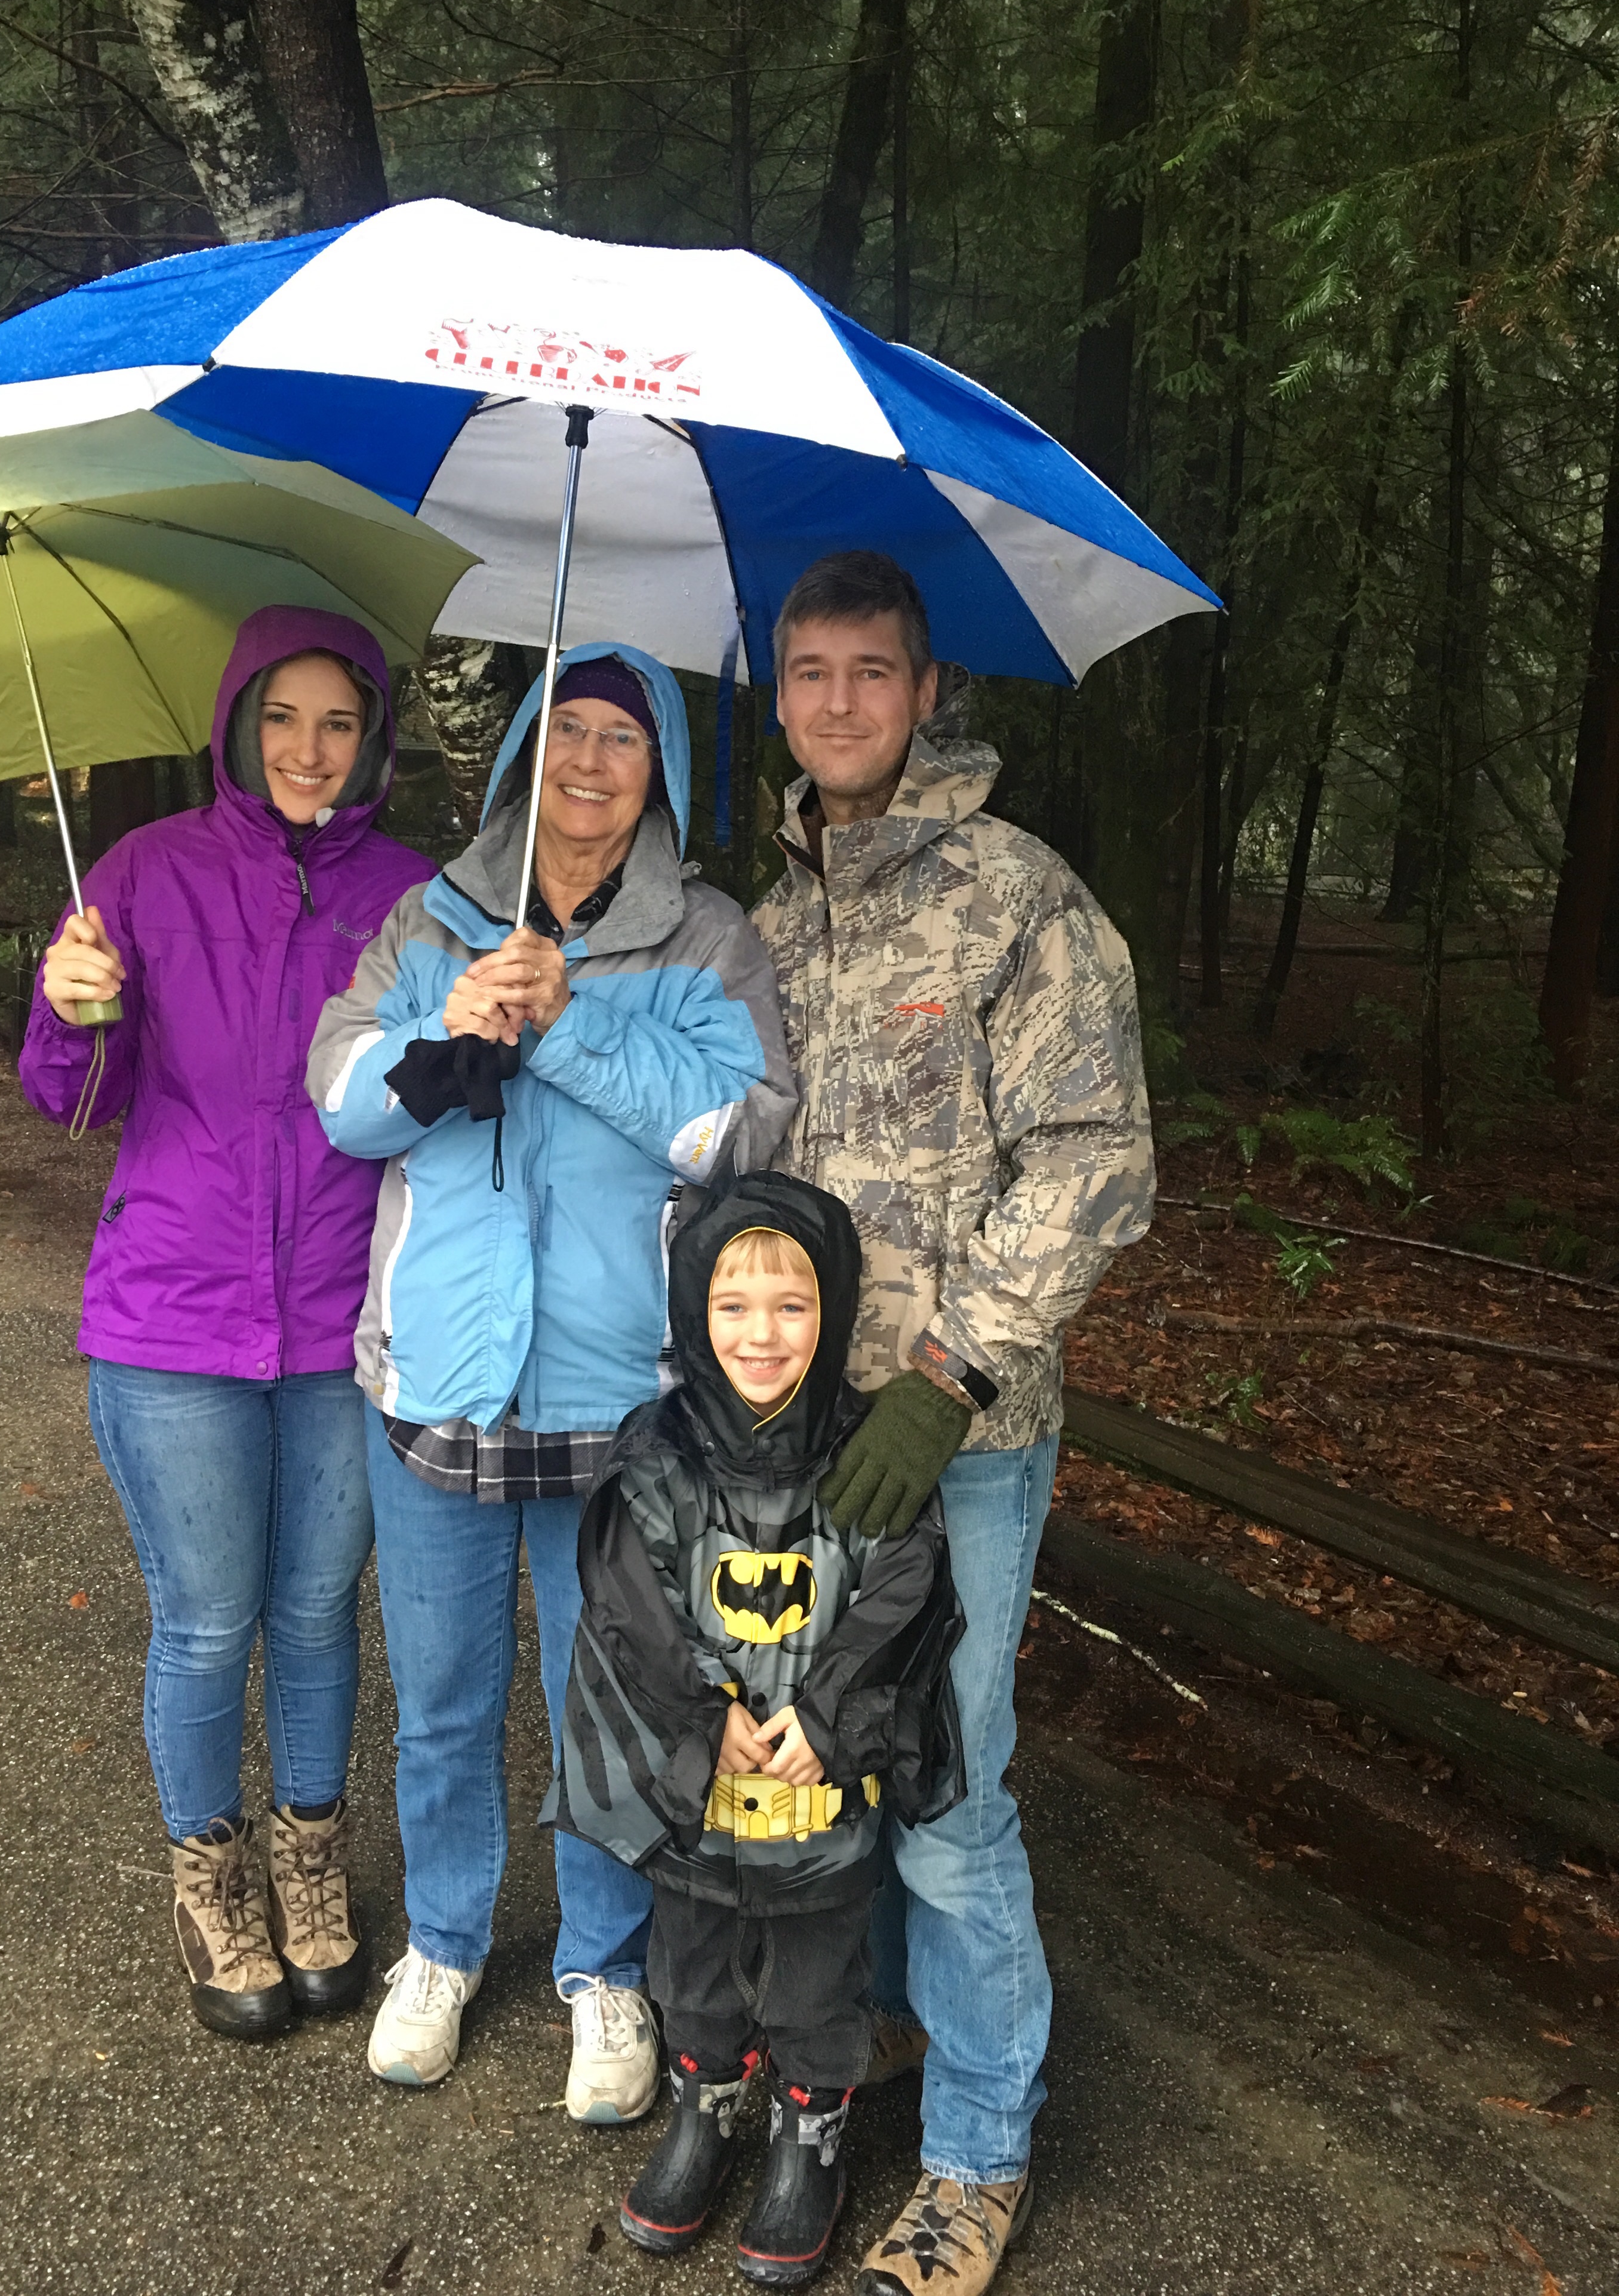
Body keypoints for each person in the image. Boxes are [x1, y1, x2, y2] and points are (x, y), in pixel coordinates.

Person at [306, 644, 797, 2124]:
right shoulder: (431, 919)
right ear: (527, 751)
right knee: (443, 1702)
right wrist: (450, 1025)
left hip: (620, 1397)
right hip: (439, 1386)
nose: (589, 762)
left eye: (622, 741)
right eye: (566, 730)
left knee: (618, 1702)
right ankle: (445, 1945)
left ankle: (606, 1969)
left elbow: (738, 1135)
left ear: (664, 776)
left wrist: (572, 1026)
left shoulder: (709, 940)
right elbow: (343, 1108)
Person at [749, 553, 1155, 2295]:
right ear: (778, 695)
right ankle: (873, 2042)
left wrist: (951, 1372)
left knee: (942, 1782)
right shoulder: (769, 925)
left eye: (873, 671)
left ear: (928, 693)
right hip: (794, 1433)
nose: (839, 701)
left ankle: (982, 2151)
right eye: (810, 671)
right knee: (818, 1756)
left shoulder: (1019, 899)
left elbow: (1098, 1162)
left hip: (960, 1441)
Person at [20, 605, 432, 2042]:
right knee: (206, 1621)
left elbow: (438, 1107)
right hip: (172, 1319)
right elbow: (72, 1099)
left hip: (342, 1322)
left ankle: (311, 1863)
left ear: (372, 736)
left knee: (316, 1613)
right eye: (282, 718)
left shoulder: (414, 895)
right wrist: (72, 1008)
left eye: (338, 721)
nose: (309, 749)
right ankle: (211, 1879)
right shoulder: (143, 874)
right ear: (240, 726)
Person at [546, 1172, 965, 2289]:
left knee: (819, 1978)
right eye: (732, 1306)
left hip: (821, 1789)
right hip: (703, 1784)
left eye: (792, 1305)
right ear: (695, 1312)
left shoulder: (870, 1453)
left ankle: (809, 2137)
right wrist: (702, 1709)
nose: (762, 1334)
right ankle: (705, 2110)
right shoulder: (658, 1452)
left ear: (835, 1311)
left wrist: (829, 1715)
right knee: (692, 1966)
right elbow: (629, 1598)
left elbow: (904, 1591)